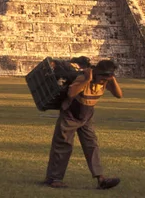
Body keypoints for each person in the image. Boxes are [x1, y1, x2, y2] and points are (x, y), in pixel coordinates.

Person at [44, 59, 123, 190]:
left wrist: (112, 78)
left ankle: (100, 179)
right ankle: (54, 179)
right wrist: (87, 80)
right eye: (103, 78)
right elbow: (71, 93)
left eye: (106, 79)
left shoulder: (105, 81)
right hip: (70, 114)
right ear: (97, 73)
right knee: (63, 145)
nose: (104, 82)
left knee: (92, 146)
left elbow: (119, 95)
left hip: (87, 116)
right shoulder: (83, 78)